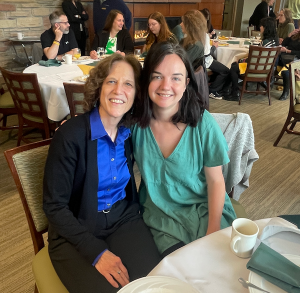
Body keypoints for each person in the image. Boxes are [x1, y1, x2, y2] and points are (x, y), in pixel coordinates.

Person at [43, 54, 161, 293]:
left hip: (123, 219)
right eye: (111, 81)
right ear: (98, 87)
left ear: (136, 93)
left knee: (156, 281)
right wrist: (96, 253)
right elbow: (54, 206)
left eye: (128, 84)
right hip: (75, 230)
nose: (119, 90)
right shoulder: (70, 136)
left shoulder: (129, 132)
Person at [131, 42, 237, 257]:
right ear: (146, 79)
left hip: (205, 209)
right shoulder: (135, 122)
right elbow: (106, 119)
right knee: (180, 271)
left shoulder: (202, 123)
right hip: (161, 214)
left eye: (176, 78)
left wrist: (212, 231)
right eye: (157, 76)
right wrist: (79, 124)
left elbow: (216, 181)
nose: (165, 86)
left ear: (187, 83)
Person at [277, 32, 300, 100]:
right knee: (274, 59)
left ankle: (286, 92)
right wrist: (289, 35)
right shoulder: (296, 35)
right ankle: (268, 81)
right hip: (286, 57)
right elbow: (283, 44)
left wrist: (287, 51)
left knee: (286, 71)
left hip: (297, 59)